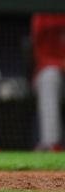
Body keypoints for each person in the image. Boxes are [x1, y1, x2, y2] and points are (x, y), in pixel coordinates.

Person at [30, 14, 65, 151]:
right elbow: (42, 55)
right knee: (48, 77)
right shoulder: (45, 15)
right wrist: (61, 63)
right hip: (54, 72)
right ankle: (51, 144)